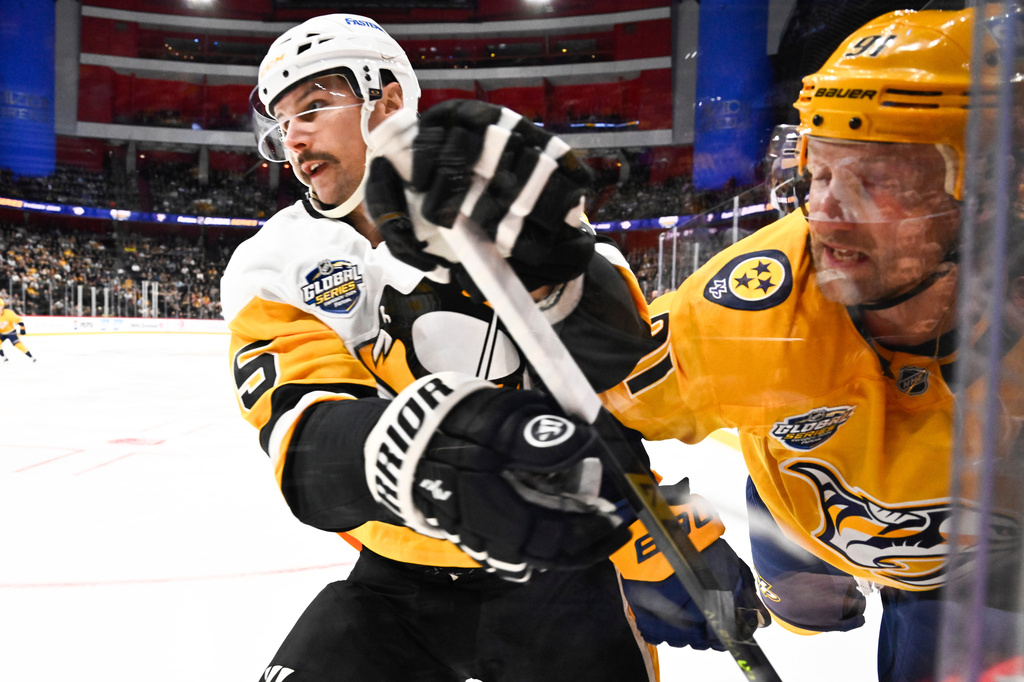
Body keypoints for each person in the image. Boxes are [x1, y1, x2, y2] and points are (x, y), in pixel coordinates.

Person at [221, 13, 762, 681]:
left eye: (312, 106)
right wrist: (446, 447)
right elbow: (306, 448)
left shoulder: (492, 191)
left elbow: (619, 372)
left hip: (563, 571)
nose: (292, 136)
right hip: (398, 583)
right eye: (281, 123)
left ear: (388, 100)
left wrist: (647, 526)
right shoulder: (273, 261)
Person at [593, 8, 1023, 682]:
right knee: (808, 607)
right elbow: (581, 413)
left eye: (876, 179)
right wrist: (637, 536)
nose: (822, 213)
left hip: (979, 561)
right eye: (817, 172)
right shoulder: (742, 313)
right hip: (813, 496)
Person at [0, 298, 36, 363]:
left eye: (0, 306)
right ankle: (3, 357)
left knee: (18, 344)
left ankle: (31, 357)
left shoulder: (8, 313)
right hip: (1, 334)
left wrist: (22, 328)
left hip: (10, 332)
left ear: (3, 306)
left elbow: (19, 320)